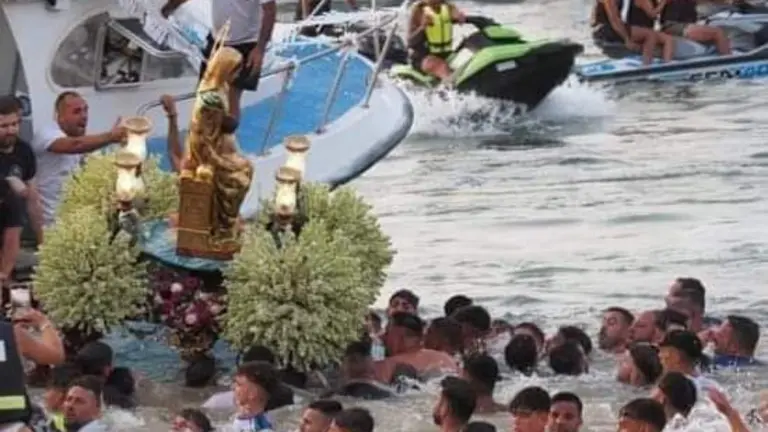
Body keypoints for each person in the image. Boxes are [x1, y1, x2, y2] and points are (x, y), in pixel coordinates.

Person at [161, 0, 277, 121]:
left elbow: (270, 10)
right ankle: (206, 129)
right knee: (205, 94)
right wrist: (168, 8)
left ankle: (226, 132)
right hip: (217, 40)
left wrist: (260, 49)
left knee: (231, 98)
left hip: (246, 44)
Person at [31, 91, 125, 227]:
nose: (84, 116)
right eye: (77, 112)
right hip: (51, 222)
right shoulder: (46, 134)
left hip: (75, 219)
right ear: (60, 117)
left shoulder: (78, 137)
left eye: (85, 110)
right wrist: (110, 137)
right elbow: (75, 145)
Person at [0, 95, 43, 249]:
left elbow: (33, 200)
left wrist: (43, 242)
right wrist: (8, 183)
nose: (11, 130)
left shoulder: (24, 151)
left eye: (14, 124)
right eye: (4, 126)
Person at [591, 0, 669, 64]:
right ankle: (646, 65)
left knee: (649, 34)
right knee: (650, 35)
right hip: (604, 30)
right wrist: (627, 40)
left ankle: (643, 61)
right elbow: (614, 20)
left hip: (610, 27)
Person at [407, 0, 466, 85]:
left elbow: (456, 17)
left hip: (445, 53)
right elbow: (410, 42)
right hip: (423, 57)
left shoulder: (448, 7)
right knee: (441, 66)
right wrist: (422, 27)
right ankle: (450, 90)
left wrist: (461, 17)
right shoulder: (418, 10)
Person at [660, 0, 731, 55]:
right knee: (717, 32)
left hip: (682, 24)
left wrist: (727, 3)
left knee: (723, 37)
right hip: (674, 25)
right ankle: (728, 62)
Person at [231, 361, 279, 431]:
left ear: (253, 393)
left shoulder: (260, 426)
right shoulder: (247, 417)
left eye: (239, 384)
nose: (233, 387)